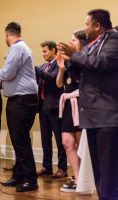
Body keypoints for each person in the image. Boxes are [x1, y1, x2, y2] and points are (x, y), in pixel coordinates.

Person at [58, 9, 118, 199]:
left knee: (109, 172)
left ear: (98, 26)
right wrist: (68, 62)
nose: (85, 29)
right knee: (99, 170)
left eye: (87, 24)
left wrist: (75, 55)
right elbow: (82, 75)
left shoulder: (113, 40)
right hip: (92, 116)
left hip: (107, 116)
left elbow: (102, 63)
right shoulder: (92, 45)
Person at [0, 22, 39, 192]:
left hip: (21, 100)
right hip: (21, 99)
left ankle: (30, 179)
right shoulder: (23, 48)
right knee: (18, 139)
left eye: (5, 36)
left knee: (20, 140)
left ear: (7, 34)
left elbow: (7, 74)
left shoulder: (16, 48)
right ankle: (19, 175)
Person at [56, 30, 87, 192]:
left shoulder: (85, 61)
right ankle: (77, 177)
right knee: (67, 142)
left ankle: (85, 178)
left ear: (82, 43)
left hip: (82, 103)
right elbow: (60, 84)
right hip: (68, 103)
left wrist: (72, 60)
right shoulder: (67, 63)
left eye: (74, 40)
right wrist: (61, 68)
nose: (70, 43)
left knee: (81, 144)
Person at [35, 41, 67, 178]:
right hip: (42, 107)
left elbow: (54, 79)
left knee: (60, 140)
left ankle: (62, 168)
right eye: (42, 51)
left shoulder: (59, 65)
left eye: (45, 51)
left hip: (55, 107)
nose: (43, 54)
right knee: (45, 140)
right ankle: (47, 166)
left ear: (54, 50)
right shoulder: (43, 66)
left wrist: (36, 70)